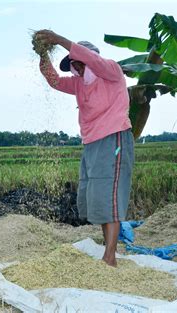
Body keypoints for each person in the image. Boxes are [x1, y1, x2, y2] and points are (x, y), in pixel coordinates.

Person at [33, 29, 134, 267]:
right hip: (91, 143)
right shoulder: (80, 85)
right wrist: (42, 54)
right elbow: (54, 80)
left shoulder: (110, 71)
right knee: (97, 197)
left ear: (87, 59)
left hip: (114, 138)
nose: (76, 69)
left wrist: (59, 40)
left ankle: (110, 258)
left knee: (110, 196)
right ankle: (108, 252)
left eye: (78, 63)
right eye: (73, 66)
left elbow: (94, 61)